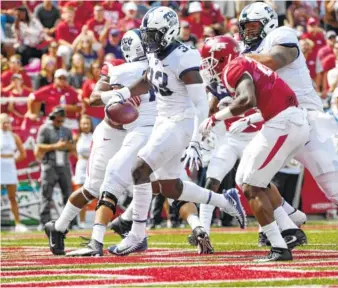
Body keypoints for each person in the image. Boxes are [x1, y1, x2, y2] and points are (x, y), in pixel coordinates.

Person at [105, 7, 246, 256]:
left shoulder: (184, 57)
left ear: (169, 33)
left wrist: (195, 141)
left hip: (181, 121)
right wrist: (124, 93)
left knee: (140, 169)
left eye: (153, 35)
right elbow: (150, 78)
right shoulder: (156, 52)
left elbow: (201, 103)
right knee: (169, 186)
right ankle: (226, 201)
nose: (148, 41)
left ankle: (137, 234)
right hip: (163, 119)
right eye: (147, 35)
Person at [199, 35, 309, 262]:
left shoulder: (233, 67)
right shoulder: (246, 64)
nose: (208, 67)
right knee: (242, 178)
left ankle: (279, 246)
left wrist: (216, 118)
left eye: (210, 60)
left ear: (222, 56)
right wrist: (250, 120)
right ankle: (289, 230)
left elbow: (247, 100)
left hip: (283, 124)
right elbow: (274, 99)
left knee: (251, 186)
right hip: (284, 120)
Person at [239, 2, 338, 206]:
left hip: (308, 119)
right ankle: (288, 224)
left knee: (334, 188)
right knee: (248, 179)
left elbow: (276, 59)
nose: (248, 31)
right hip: (279, 123)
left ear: (267, 24)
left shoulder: (281, 34)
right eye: (245, 27)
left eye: (253, 26)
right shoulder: (245, 52)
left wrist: (239, 60)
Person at [44, 59, 127, 255]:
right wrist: (121, 92)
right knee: (93, 188)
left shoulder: (147, 72)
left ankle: (129, 224)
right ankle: (59, 227)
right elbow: (94, 98)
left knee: (144, 180)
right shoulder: (115, 73)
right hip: (110, 136)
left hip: (132, 137)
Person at [35, 107, 74, 228]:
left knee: (68, 194)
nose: (60, 123)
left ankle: (70, 222)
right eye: (58, 121)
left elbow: (72, 147)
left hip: (64, 164)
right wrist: (56, 146)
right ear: (52, 118)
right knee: (46, 193)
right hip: (50, 164)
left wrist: (67, 145)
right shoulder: (45, 129)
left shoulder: (67, 130)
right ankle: (44, 222)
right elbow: (39, 146)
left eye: (62, 121)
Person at [0, 113, 27, 232]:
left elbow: (23, 153)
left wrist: (12, 160)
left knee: (12, 197)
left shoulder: (14, 136)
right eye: (3, 122)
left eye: (7, 122)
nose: (6, 124)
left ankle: (18, 223)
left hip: (10, 167)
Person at [73, 115, 93, 229]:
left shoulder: (95, 136)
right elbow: (70, 148)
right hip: (81, 165)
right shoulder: (77, 137)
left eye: (87, 124)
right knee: (80, 194)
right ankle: (81, 221)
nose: (85, 126)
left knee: (95, 192)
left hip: (92, 165)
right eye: (83, 123)